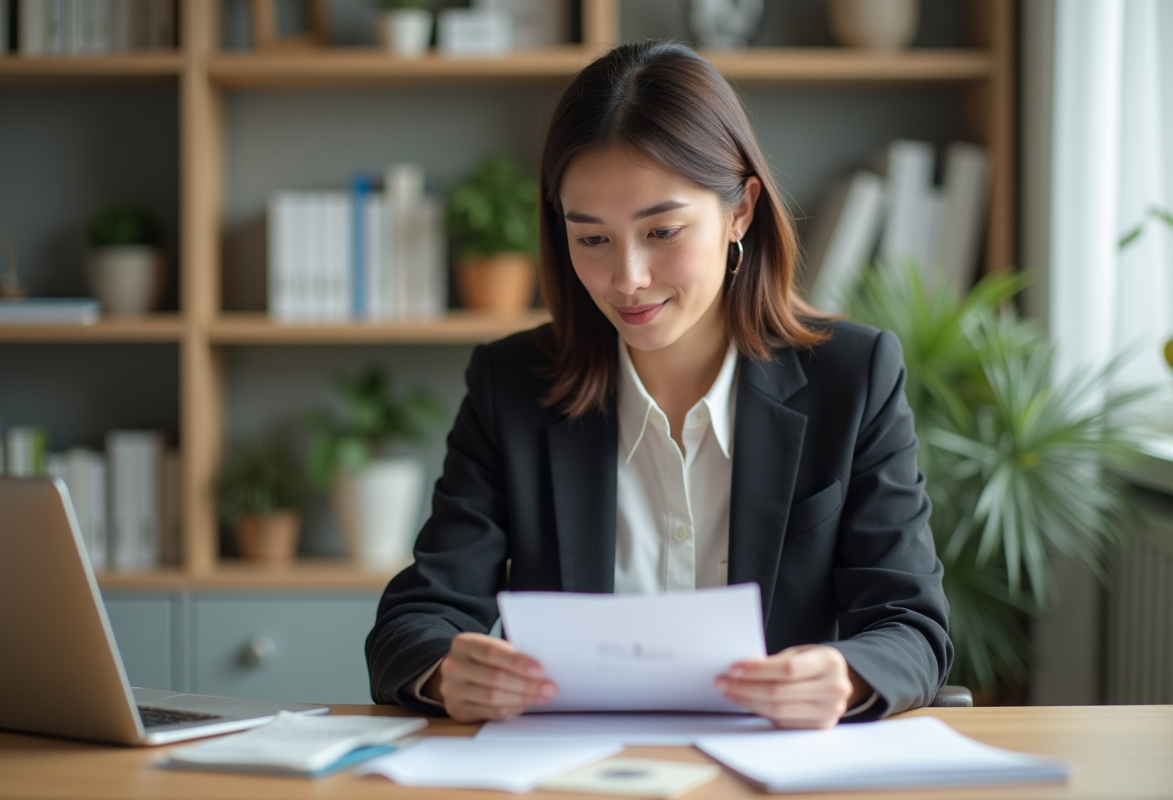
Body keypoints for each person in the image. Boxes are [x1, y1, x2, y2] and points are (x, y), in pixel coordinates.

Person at [366, 40, 952, 729]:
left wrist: (846, 676)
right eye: (592, 239)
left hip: (770, 767)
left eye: (663, 231)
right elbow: (417, 617)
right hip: (572, 775)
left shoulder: (852, 379)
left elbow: (912, 625)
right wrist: (445, 674)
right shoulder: (512, 386)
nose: (628, 279)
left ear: (741, 212)